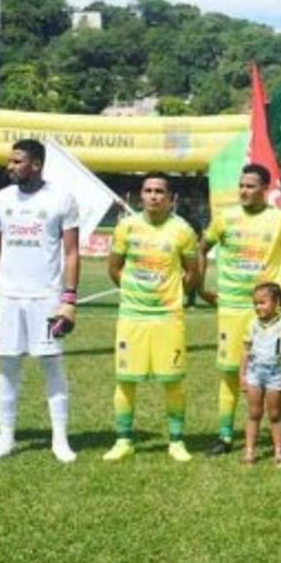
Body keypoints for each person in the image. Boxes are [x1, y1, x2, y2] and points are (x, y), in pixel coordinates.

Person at [0, 139, 82, 463]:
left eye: (17, 161)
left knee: (52, 366)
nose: (10, 166)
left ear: (36, 164)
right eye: (9, 160)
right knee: (8, 369)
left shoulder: (61, 199)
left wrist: (69, 299)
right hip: (8, 297)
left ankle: (60, 440)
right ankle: (5, 438)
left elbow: (72, 252)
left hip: (46, 298)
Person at [199, 164, 281, 456]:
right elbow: (202, 248)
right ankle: (224, 436)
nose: (244, 190)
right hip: (232, 306)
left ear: (265, 189)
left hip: (270, 311)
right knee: (230, 372)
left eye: (250, 185)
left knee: (273, 372)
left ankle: (278, 436)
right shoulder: (225, 218)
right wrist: (198, 287)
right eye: (241, 185)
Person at [103, 172, 200, 463]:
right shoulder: (126, 227)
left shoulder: (182, 230)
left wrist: (173, 294)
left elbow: (193, 271)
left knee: (173, 380)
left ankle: (177, 441)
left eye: (160, 191)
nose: (154, 196)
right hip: (132, 315)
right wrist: (134, 292)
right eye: (148, 190)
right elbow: (114, 268)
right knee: (125, 379)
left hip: (168, 316)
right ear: (140, 195)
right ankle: (123, 440)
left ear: (171, 198)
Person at [240, 282, 281, 466]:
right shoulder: (252, 325)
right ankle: (249, 451)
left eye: (262, 302)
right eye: (255, 303)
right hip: (255, 374)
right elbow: (245, 351)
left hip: (275, 375)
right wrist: (242, 375)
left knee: (275, 414)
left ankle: (279, 450)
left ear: (276, 302)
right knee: (254, 412)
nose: (258, 307)